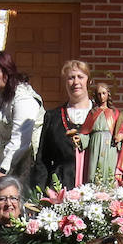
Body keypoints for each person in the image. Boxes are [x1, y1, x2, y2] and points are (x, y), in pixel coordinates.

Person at [0, 51, 43, 185]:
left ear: (7, 72)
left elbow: (21, 140)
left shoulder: (23, 97)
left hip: (25, 164)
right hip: (4, 162)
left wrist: (2, 171)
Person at [35, 59, 95, 189]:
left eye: (80, 77)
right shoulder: (53, 117)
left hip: (95, 187)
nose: (76, 82)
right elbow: (43, 159)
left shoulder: (101, 115)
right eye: (71, 78)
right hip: (61, 186)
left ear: (89, 81)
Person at [81, 80, 123, 187]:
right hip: (95, 144)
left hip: (109, 144)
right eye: (99, 94)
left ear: (108, 94)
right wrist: (81, 138)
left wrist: (120, 136)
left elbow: (122, 130)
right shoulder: (92, 113)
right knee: (93, 169)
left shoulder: (114, 112)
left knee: (108, 169)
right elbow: (85, 132)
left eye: (104, 93)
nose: (101, 96)